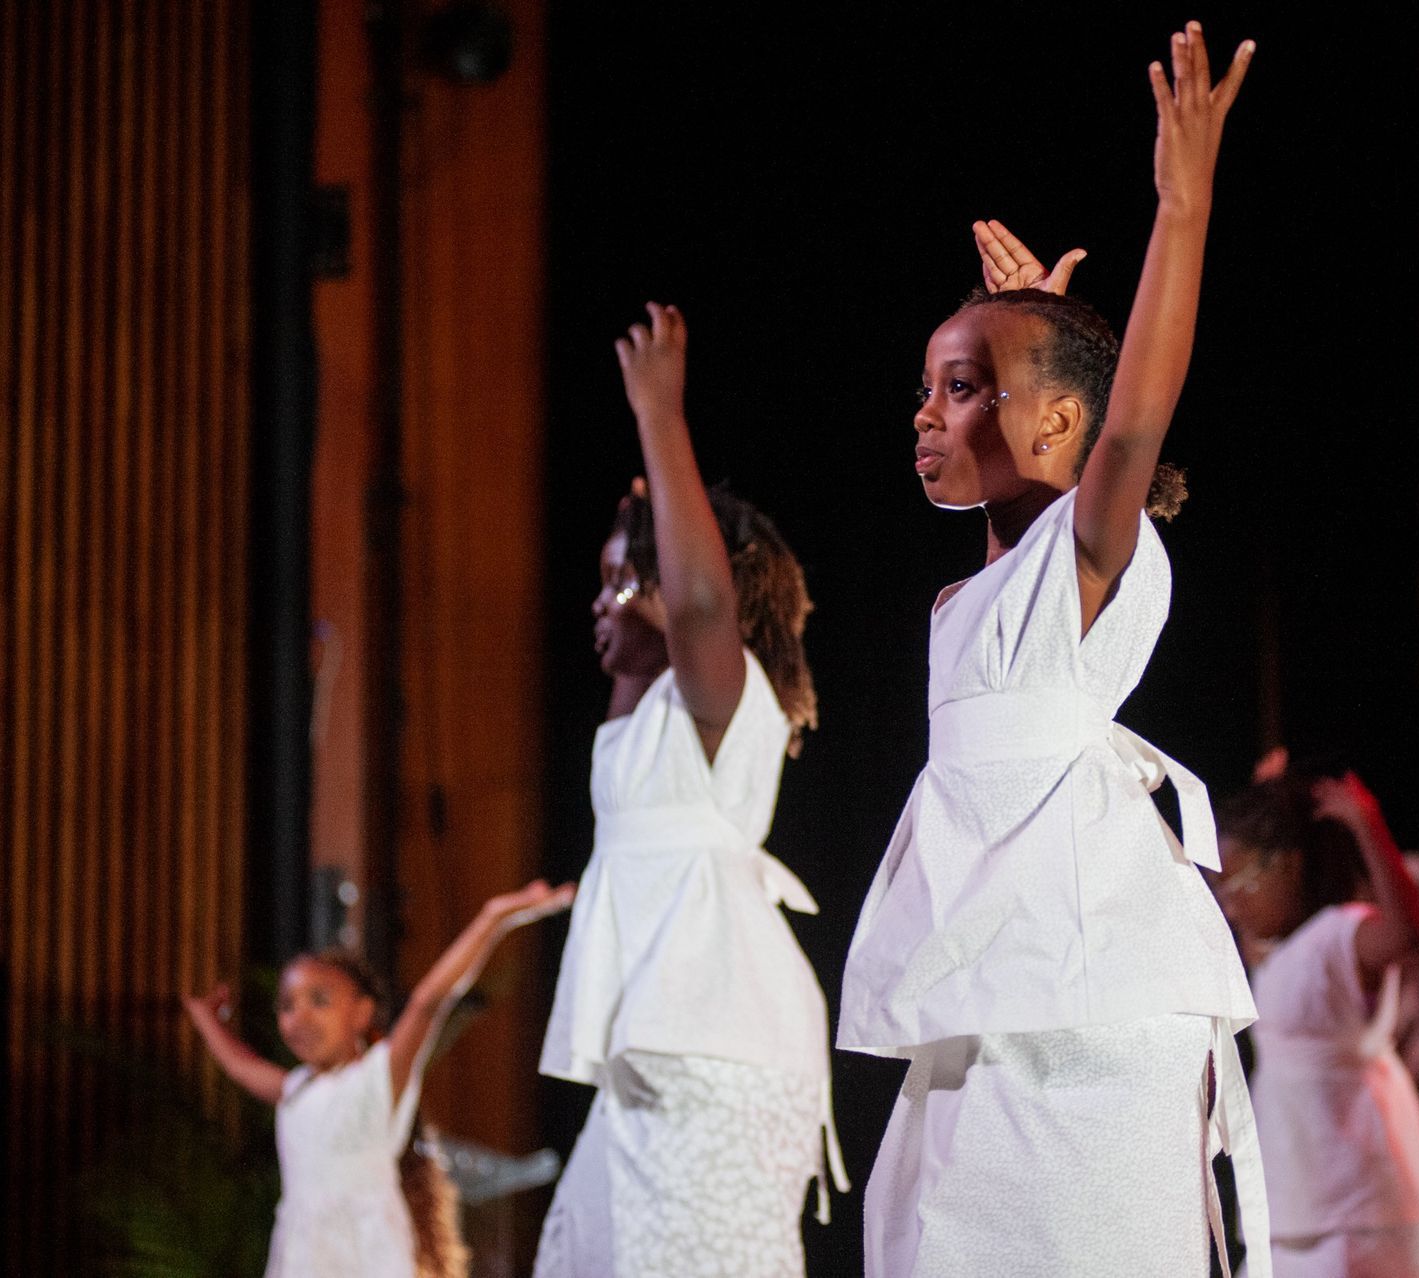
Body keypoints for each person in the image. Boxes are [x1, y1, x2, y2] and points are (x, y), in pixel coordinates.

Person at [838, 23, 1267, 1276]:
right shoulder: (965, 598)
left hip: (1092, 997)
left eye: (964, 385)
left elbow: (1134, 412)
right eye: (927, 385)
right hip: (983, 991)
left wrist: (1178, 207)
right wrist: (1028, 326)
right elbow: (1069, 427)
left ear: (1063, 418)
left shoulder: (1089, 553)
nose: (928, 411)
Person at [534, 306, 846, 1278]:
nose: (601, 600)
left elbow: (702, 602)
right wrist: (638, 542)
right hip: (665, 1059)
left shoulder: (723, 698)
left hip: (722, 1057)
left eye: (623, 580)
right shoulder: (638, 733)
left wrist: (659, 417)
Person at [182, 879, 574, 1278]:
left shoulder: (375, 1080)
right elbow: (240, 1066)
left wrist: (494, 918)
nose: (298, 1017)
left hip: (364, 1258)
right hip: (302, 1260)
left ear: (362, 1012)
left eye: (319, 1001)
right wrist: (204, 1018)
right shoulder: (295, 1089)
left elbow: (429, 1001)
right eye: (286, 1005)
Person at [1214, 770, 1419, 1277]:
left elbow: (1405, 933)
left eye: (1237, 884)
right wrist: (1267, 795)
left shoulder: (1336, 935)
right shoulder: (1280, 953)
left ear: (1287, 868)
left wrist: (1367, 824)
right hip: (1305, 1203)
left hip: (1361, 1206)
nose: (1230, 905)